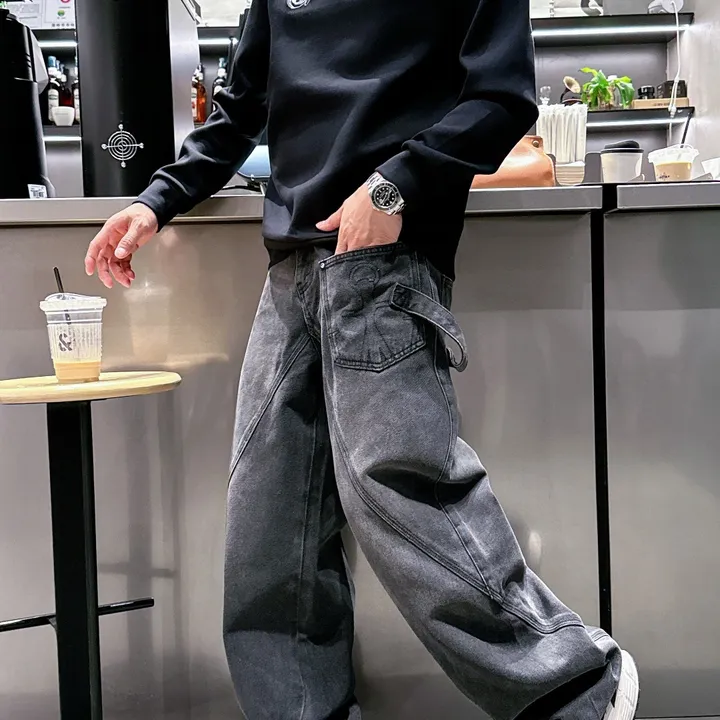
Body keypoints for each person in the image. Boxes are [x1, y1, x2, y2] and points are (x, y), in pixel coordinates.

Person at [85, 0, 639, 718]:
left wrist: (394, 184)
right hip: (289, 274)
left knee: (404, 494)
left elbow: (502, 99)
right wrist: (158, 199)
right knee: (267, 526)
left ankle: (580, 691)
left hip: (384, 261)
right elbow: (241, 108)